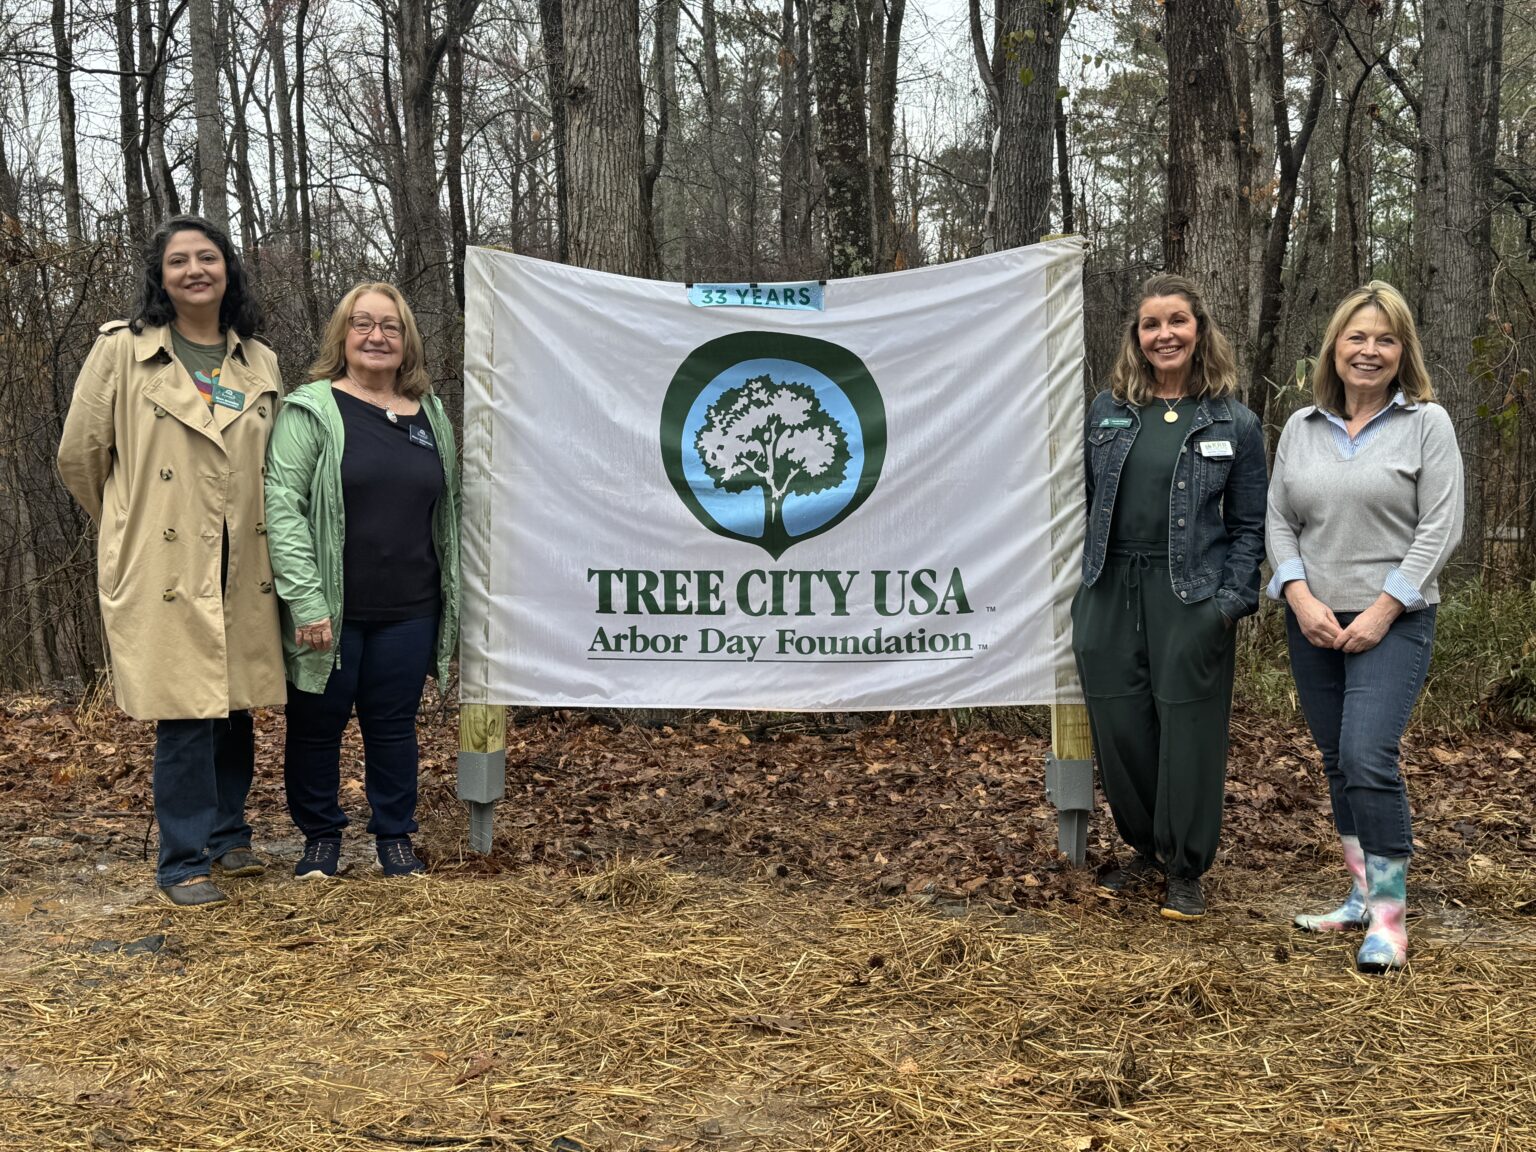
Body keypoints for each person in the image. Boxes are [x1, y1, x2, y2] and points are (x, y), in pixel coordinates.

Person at [57, 215, 285, 908]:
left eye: (207, 257)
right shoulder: (122, 351)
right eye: (179, 260)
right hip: (162, 561)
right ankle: (182, 863)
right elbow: (79, 456)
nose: (195, 270)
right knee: (187, 711)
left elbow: (271, 465)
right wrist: (129, 525)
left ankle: (229, 834)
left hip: (241, 556)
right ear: (160, 276)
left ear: (227, 270)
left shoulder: (259, 361)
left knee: (233, 704)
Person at [1268, 281, 1463, 973]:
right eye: (1358, 337)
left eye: (1385, 339)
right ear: (1336, 348)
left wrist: (1385, 607)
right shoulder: (1302, 427)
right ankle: (1358, 893)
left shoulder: (1426, 424)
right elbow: (1279, 520)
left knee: (1367, 756)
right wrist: (1297, 595)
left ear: (1402, 350)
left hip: (1396, 617)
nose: (1370, 350)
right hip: (1314, 619)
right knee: (1335, 759)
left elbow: (1441, 527)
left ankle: (1388, 917)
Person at [1071, 273, 1267, 921]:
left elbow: (1249, 527)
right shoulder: (1108, 412)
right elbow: (1083, 503)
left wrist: (1229, 603)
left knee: (1188, 729)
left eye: (1177, 321)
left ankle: (1184, 866)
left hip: (1189, 592)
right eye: (1152, 325)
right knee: (1121, 725)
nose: (1165, 335)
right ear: (1136, 336)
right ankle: (1146, 849)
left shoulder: (1233, 423)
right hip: (1109, 585)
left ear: (1199, 330)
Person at [264, 283, 460, 880]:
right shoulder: (312, 409)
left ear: (406, 342)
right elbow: (282, 504)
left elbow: (447, 511)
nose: (377, 337)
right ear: (342, 337)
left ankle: (394, 838)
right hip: (331, 609)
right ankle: (320, 838)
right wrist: (306, 599)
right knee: (317, 727)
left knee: (394, 727)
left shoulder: (432, 415)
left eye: (391, 327)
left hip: (412, 606)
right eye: (363, 324)